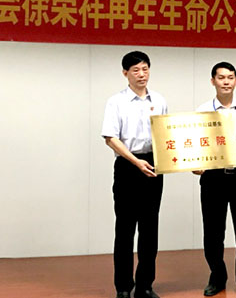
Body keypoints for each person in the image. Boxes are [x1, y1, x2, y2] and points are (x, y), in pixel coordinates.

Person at [194, 62, 236, 298]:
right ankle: (217, 278)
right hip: (213, 177)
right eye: (221, 77)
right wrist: (196, 166)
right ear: (212, 81)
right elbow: (195, 146)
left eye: (230, 77)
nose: (226, 81)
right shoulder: (203, 110)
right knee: (213, 233)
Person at [101, 51, 167, 298]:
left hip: (154, 166)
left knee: (150, 228)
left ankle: (145, 285)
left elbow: (167, 135)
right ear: (125, 73)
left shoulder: (159, 100)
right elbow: (111, 138)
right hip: (128, 166)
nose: (142, 74)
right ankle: (123, 287)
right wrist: (136, 162)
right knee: (125, 229)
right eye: (136, 70)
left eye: (145, 69)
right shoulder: (116, 102)